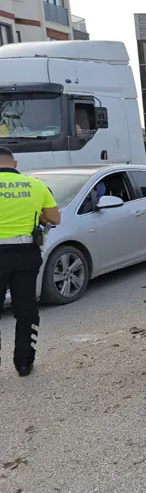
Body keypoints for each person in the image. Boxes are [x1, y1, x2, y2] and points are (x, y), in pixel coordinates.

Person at [0, 146, 61, 377]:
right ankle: (24, 364)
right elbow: (55, 218)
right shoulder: (35, 185)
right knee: (25, 309)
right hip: (26, 253)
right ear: (15, 164)